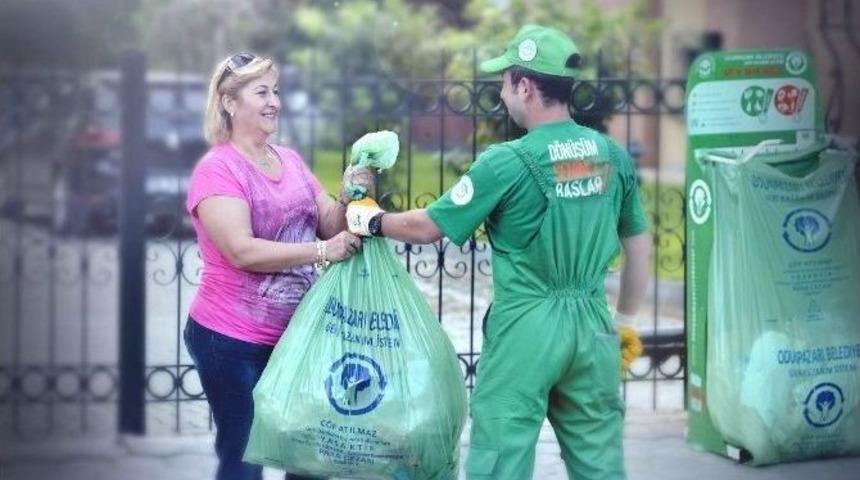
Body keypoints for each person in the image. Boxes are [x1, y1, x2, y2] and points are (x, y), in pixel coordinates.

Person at [346, 25, 651, 480]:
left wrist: (370, 220)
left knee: (500, 460)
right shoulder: (611, 155)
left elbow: (429, 226)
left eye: (504, 83)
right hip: (593, 326)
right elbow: (640, 245)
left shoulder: (507, 161)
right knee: (601, 462)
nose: (502, 94)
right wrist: (624, 321)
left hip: (526, 327)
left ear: (525, 86)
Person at [184, 52, 370, 480]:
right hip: (230, 339)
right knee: (246, 455)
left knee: (307, 456)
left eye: (277, 91)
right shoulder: (218, 169)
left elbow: (328, 224)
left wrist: (349, 194)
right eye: (261, 91)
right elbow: (241, 251)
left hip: (296, 338)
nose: (275, 102)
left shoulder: (289, 160)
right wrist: (322, 253)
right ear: (229, 102)